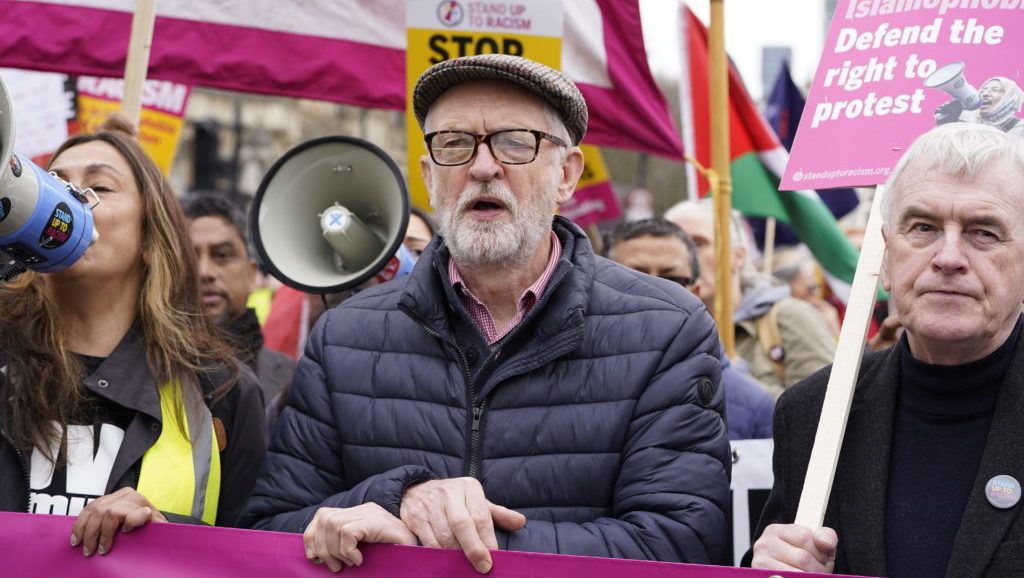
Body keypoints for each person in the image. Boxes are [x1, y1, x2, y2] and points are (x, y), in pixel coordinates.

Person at [242, 54, 731, 573]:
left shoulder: (668, 330)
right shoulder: (344, 337)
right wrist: (394, 498)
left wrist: (461, 544)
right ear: (430, 177)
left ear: (566, 175)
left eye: (515, 142)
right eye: (454, 144)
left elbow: (682, 543)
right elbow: (270, 528)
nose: (482, 166)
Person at [749, 123, 1024, 577]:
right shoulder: (813, 414)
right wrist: (772, 569)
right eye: (923, 228)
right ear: (885, 254)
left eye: (984, 232)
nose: (948, 257)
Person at [0, 115, 267, 557]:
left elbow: (254, 551)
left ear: (149, 235)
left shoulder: (221, 389)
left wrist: (164, 539)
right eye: (51, 182)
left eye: (100, 188)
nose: (65, 199)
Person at [606, 217, 773, 440]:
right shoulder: (563, 383)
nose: (654, 292)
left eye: (671, 279)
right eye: (634, 277)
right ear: (602, 287)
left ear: (695, 293)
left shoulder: (753, 405)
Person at [665, 200, 836, 397]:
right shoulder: (656, 332)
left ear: (738, 256)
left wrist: (736, 380)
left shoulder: (789, 318)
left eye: (698, 243)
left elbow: (822, 411)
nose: (683, 257)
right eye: (673, 246)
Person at [180, 191, 296, 406]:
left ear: (252, 274)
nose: (205, 272)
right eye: (189, 257)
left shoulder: (296, 379)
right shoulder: (145, 374)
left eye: (222, 255)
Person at [937, 76, 1024, 139]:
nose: (985, 94)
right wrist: (946, 124)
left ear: (1010, 98)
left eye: (995, 90)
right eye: (983, 90)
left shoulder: (1020, 128)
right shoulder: (966, 122)